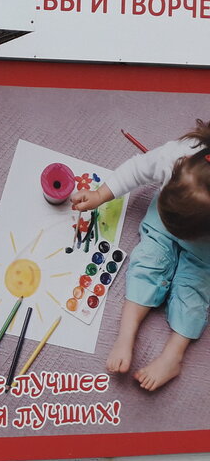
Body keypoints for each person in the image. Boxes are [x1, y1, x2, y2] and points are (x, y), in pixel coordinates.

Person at [70, 119, 210, 391]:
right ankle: (127, 333)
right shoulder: (176, 155)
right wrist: (100, 195)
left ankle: (173, 356)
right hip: (162, 223)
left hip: (205, 248)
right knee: (146, 262)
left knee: (195, 290)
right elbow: (136, 169)